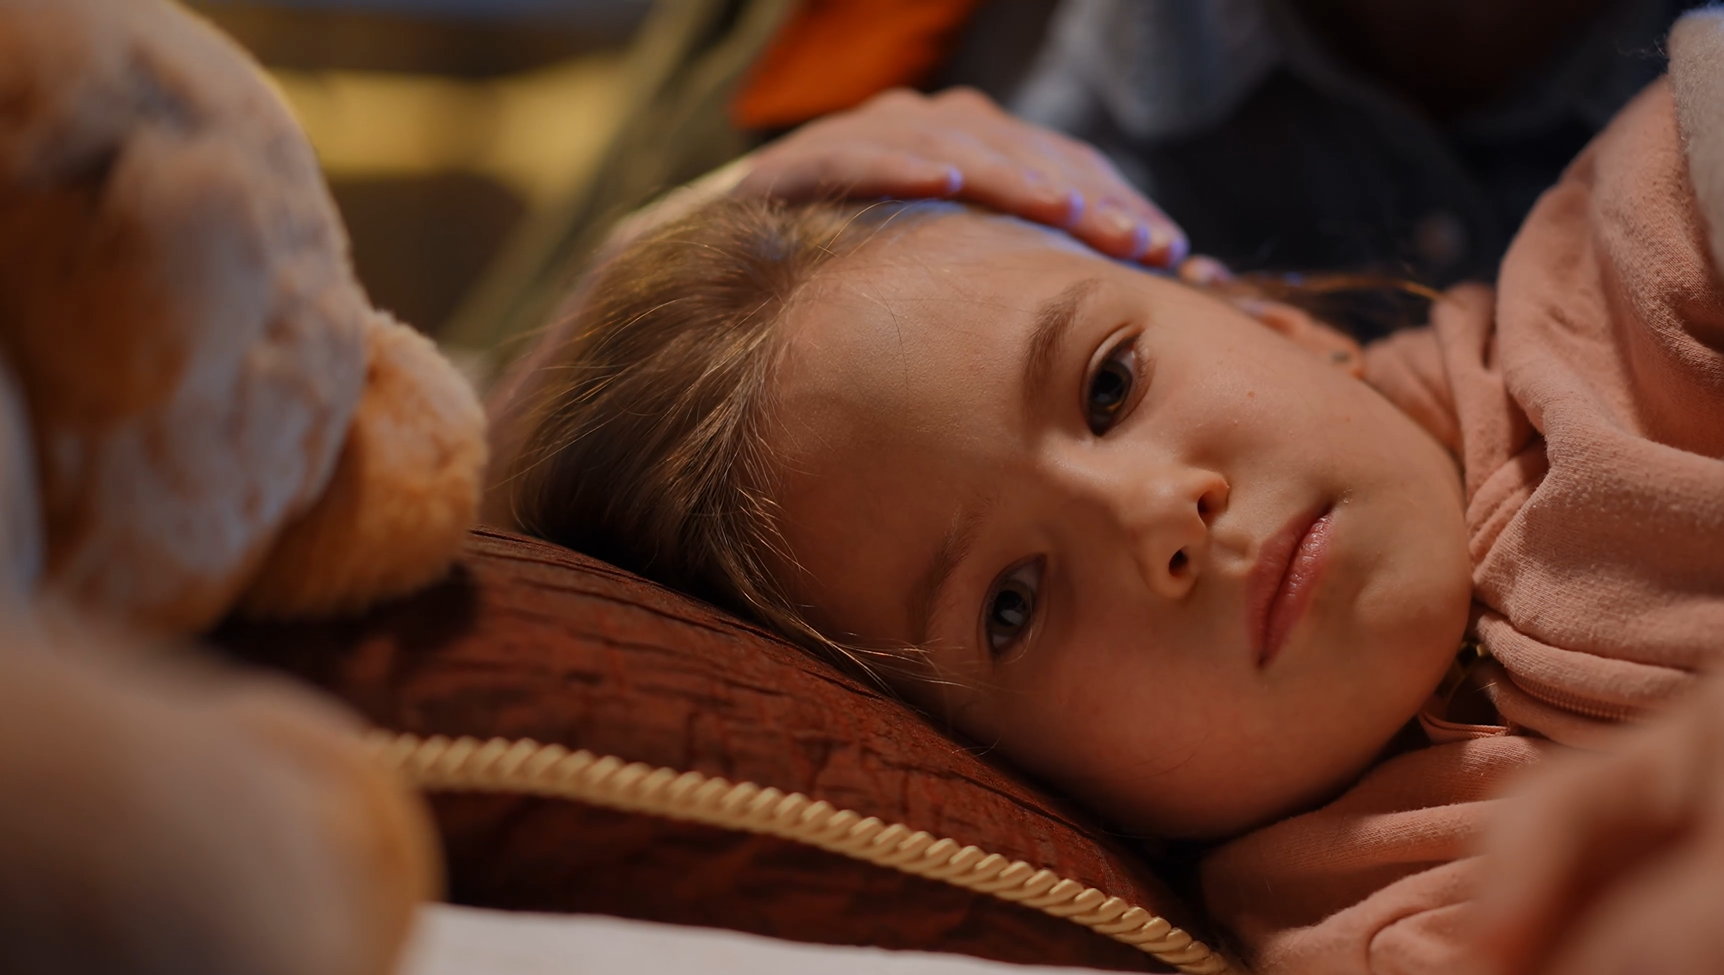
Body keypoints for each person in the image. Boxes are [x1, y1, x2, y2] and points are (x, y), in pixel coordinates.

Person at [486, 12, 1724, 973]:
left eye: (1107, 386)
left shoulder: (1646, 262)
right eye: (1011, 606)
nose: (1154, 521)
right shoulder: (1371, 922)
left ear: (1266, 308)